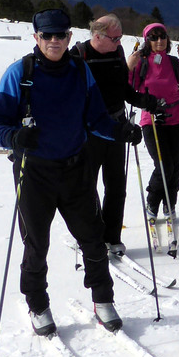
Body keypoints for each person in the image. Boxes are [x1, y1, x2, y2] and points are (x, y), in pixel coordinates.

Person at [0, 7, 142, 335]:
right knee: (36, 243)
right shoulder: (20, 73)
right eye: (47, 35)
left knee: (93, 238)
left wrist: (120, 131)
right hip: (33, 172)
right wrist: (14, 137)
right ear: (36, 37)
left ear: (70, 37)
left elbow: (96, 118)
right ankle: (38, 304)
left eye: (60, 35)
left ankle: (103, 299)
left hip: (75, 168)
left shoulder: (80, 71)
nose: (54, 41)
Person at [74, 14, 163, 256]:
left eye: (120, 37)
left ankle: (112, 236)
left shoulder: (117, 52)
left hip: (117, 127)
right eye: (114, 38)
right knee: (87, 187)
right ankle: (91, 238)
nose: (118, 42)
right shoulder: (79, 55)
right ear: (97, 36)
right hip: (89, 131)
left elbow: (123, 88)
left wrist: (143, 100)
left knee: (116, 186)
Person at [126, 22, 179, 232]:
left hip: (178, 119)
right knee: (164, 165)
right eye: (154, 37)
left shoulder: (173, 62)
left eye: (163, 37)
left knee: (175, 165)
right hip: (151, 119)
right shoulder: (141, 62)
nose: (159, 41)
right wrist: (129, 66)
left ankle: (169, 204)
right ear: (147, 41)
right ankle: (153, 202)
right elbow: (128, 87)